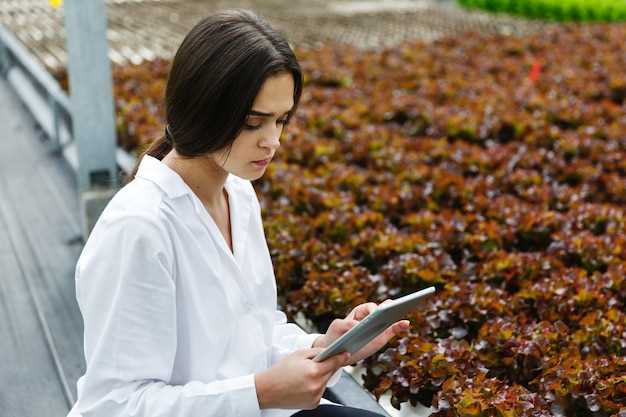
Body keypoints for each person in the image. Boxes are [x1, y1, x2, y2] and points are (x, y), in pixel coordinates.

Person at [67, 9, 409, 417]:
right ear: (202, 107)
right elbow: (114, 407)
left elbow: (254, 336)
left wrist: (325, 348)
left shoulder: (239, 195)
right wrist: (261, 392)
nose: (273, 142)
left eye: (281, 120)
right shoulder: (138, 228)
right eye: (253, 122)